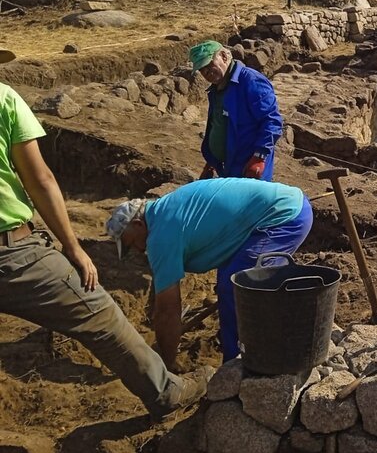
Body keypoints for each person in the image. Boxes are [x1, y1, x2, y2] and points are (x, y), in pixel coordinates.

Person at [0, 50, 210, 420]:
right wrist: (73, 247)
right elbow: (41, 180)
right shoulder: (3, 98)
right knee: (100, 315)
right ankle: (165, 391)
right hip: (13, 253)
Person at [106, 178, 313, 366]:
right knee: (229, 281)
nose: (139, 250)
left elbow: (168, 311)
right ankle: (237, 346)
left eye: (132, 243)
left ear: (138, 224)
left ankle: (243, 364)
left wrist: (166, 366)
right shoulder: (162, 211)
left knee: (236, 289)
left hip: (284, 218)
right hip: (277, 208)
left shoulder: (161, 237)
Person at [190, 40, 283, 181]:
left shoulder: (250, 81)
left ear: (224, 56)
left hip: (248, 167)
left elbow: (272, 120)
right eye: (202, 69)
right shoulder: (216, 89)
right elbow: (219, 125)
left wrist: (259, 157)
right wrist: (211, 162)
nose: (206, 72)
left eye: (209, 65)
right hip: (227, 167)